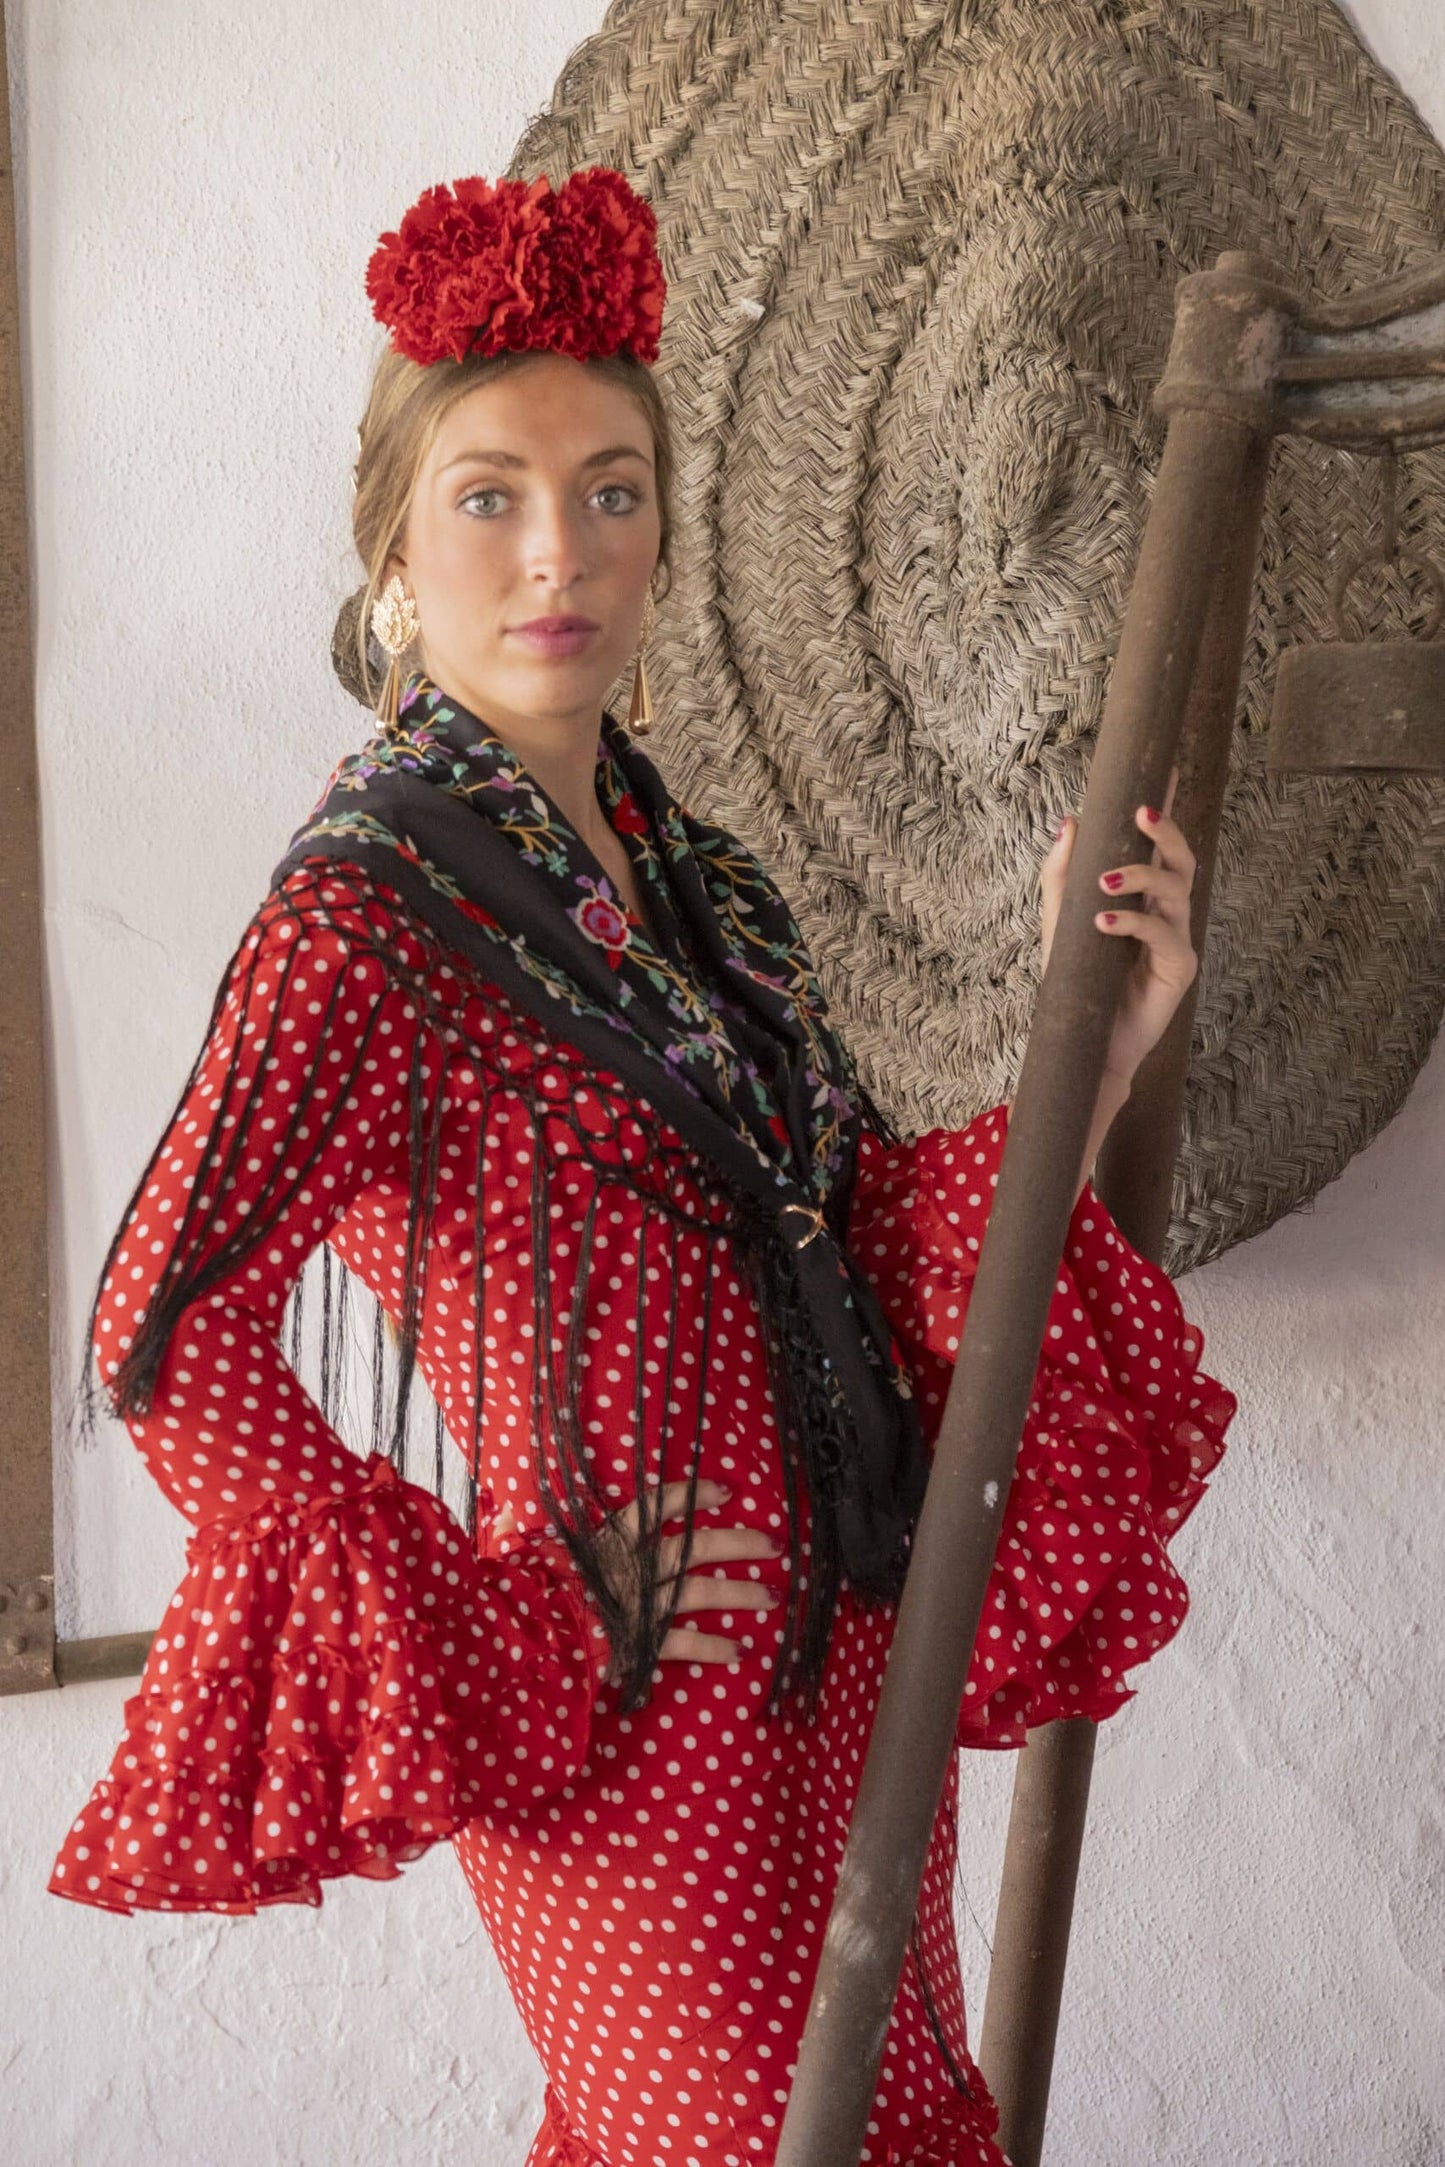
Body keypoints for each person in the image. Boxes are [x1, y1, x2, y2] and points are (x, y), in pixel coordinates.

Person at [48, 166, 1236, 2167]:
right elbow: (158, 1334)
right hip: (629, 1730)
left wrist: (1093, 1048)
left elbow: (861, 1243)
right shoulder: (366, 917)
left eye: (612, 490)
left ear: (663, 531)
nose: (560, 551)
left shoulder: (707, 887)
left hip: (851, 1666)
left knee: (899, 2123)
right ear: (394, 553)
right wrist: (508, 1625)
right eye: (490, 495)